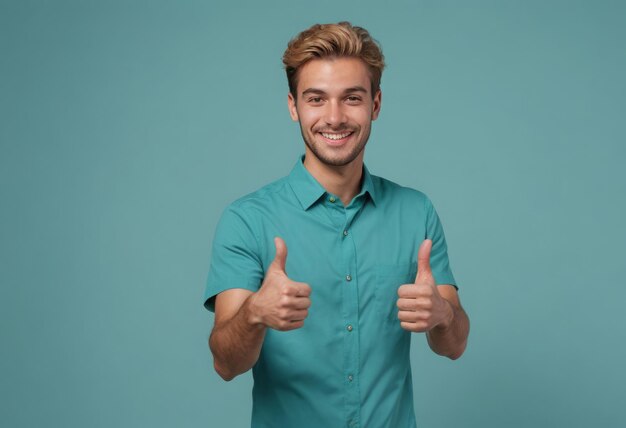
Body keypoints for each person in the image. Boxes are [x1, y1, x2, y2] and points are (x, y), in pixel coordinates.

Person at [204, 22, 470, 428]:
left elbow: (455, 345)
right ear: (293, 106)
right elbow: (226, 363)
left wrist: (443, 316)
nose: (334, 117)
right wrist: (254, 313)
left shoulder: (416, 212)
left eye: (352, 98)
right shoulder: (247, 219)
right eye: (316, 99)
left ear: (375, 105)